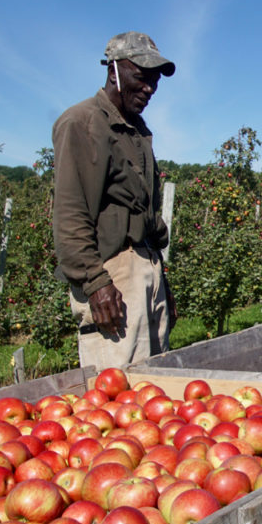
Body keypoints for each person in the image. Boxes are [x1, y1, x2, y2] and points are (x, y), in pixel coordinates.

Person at [52, 31, 177, 370]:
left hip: (145, 267)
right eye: (141, 77)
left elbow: (145, 215)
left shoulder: (136, 130)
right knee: (117, 388)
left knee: (157, 388)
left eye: (154, 80)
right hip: (113, 274)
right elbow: (70, 212)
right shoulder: (83, 123)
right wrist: (95, 283)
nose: (149, 88)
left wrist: (160, 282)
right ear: (114, 71)